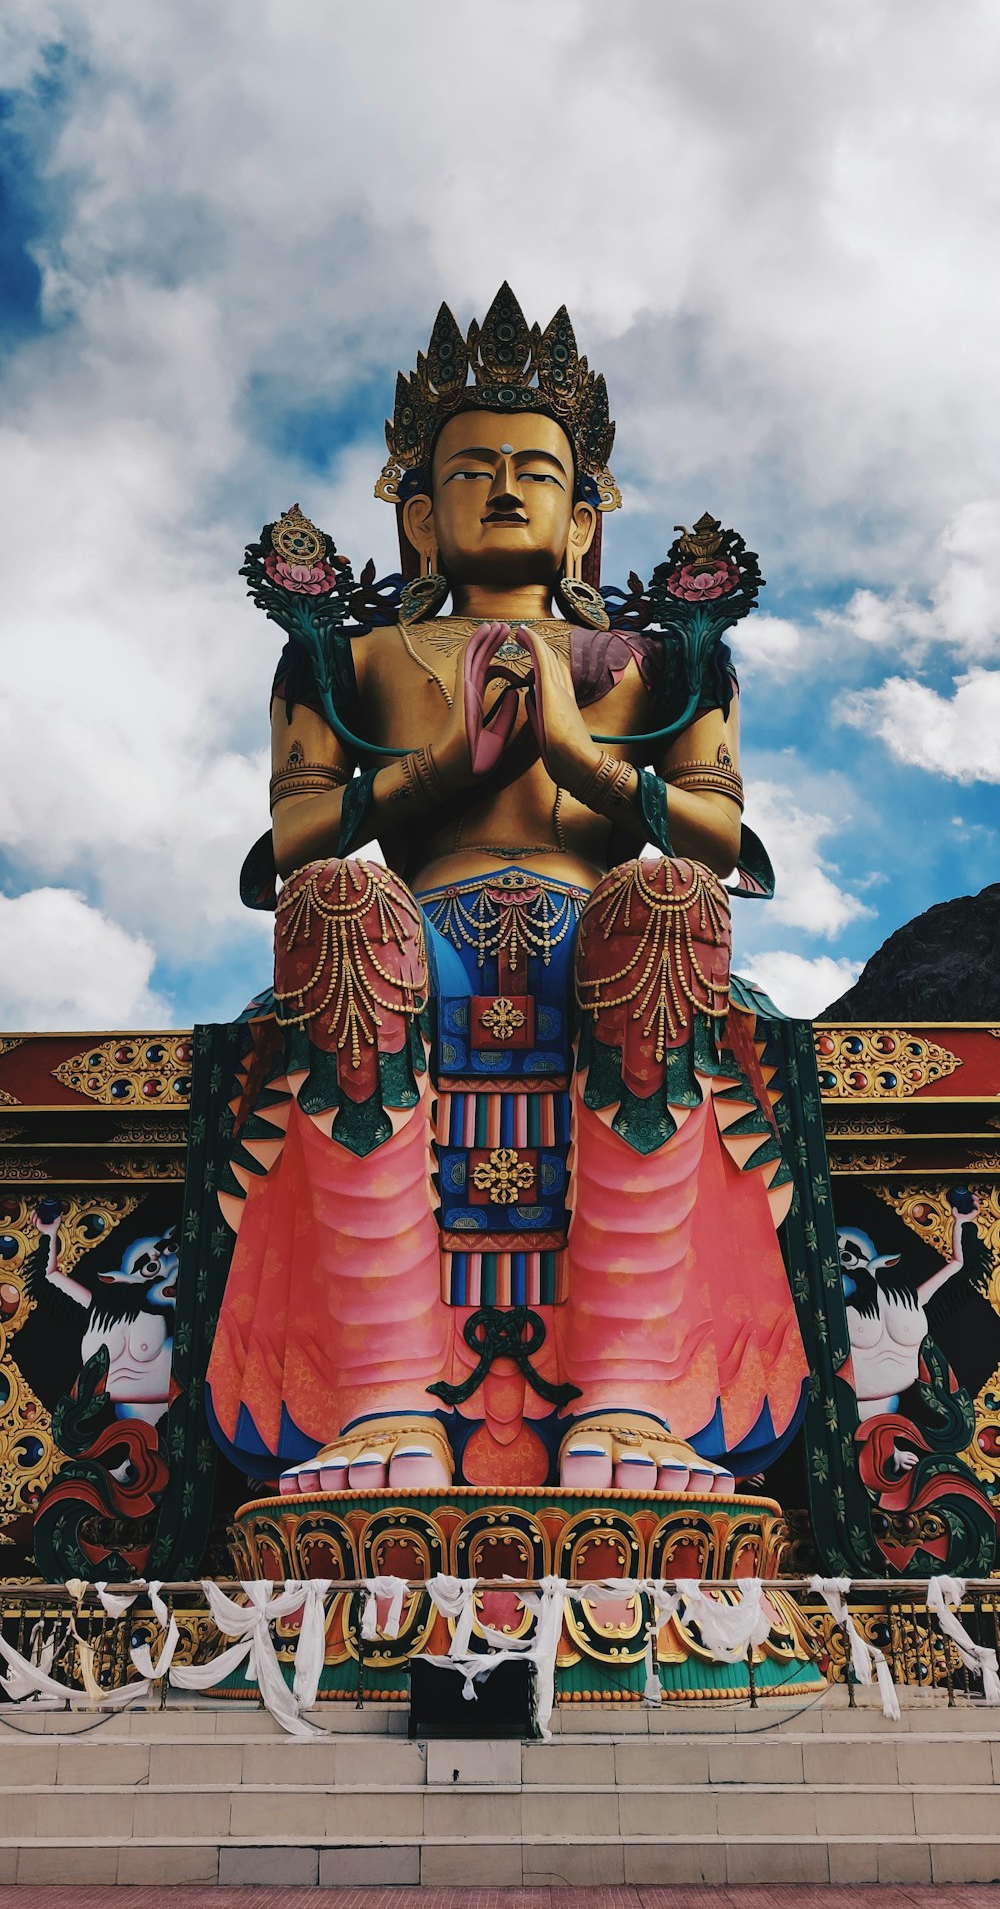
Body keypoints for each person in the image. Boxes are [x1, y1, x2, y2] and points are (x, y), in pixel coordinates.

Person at [206, 286, 807, 1496]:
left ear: (585, 519)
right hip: (411, 936)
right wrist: (443, 769)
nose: (506, 488)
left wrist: (583, 760)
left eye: (538, 471)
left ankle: (629, 1392)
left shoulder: (659, 665)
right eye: (471, 470)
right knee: (335, 903)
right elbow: (288, 846)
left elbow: (719, 835)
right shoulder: (353, 657)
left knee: (673, 902)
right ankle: (382, 1399)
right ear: (420, 518)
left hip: (607, 934)